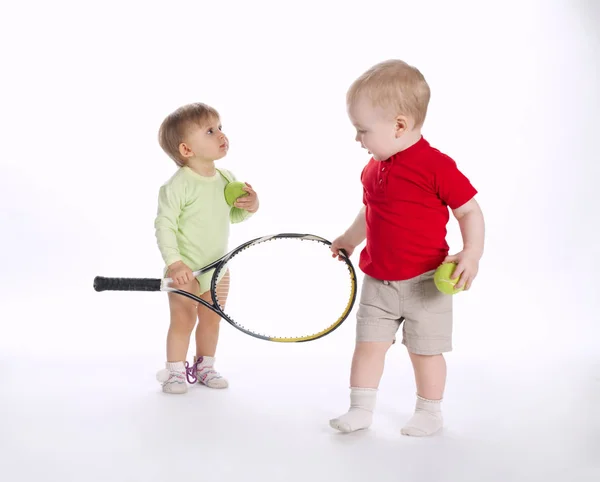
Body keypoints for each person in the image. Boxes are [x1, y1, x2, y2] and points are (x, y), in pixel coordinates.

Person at [329, 60, 485, 436]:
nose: (358, 139)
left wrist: (471, 253)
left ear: (399, 125)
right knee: (368, 347)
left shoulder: (436, 166)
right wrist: (350, 240)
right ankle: (360, 409)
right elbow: (371, 211)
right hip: (378, 282)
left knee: (425, 351)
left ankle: (430, 413)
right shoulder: (372, 168)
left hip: (427, 283)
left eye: (362, 130)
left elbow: (468, 210)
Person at [153, 102, 259, 394]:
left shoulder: (226, 179)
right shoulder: (177, 186)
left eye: (220, 127)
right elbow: (165, 226)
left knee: (211, 321)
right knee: (183, 320)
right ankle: (175, 371)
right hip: (184, 271)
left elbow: (233, 216)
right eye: (210, 131)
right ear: (187, 150)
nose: (221, 135)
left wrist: (251, 206)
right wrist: (175, 264)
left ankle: (205, 367)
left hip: (218, 269)